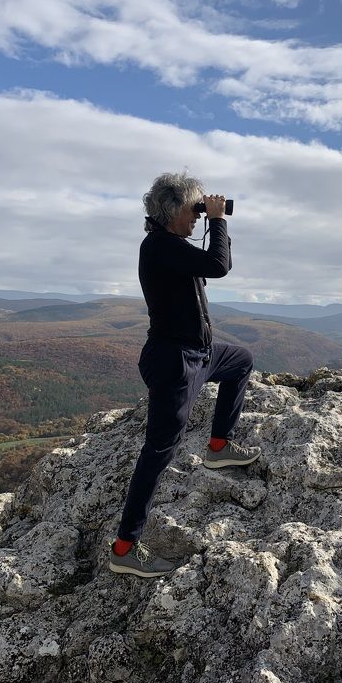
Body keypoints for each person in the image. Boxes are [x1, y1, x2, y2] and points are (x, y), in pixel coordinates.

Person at [109, 172, 261, 577]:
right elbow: (219, 265)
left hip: (200, 354)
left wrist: (213, 221)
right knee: (159, 452)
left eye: (200, 210)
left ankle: (219, 446)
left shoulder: (171, 245)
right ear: (173, 209)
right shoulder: (159, 245)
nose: (197, 216)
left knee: (241, 360)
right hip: (174, 362)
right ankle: (124, 548)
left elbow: (215, 263)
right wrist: (218, 220)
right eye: (193, 209)